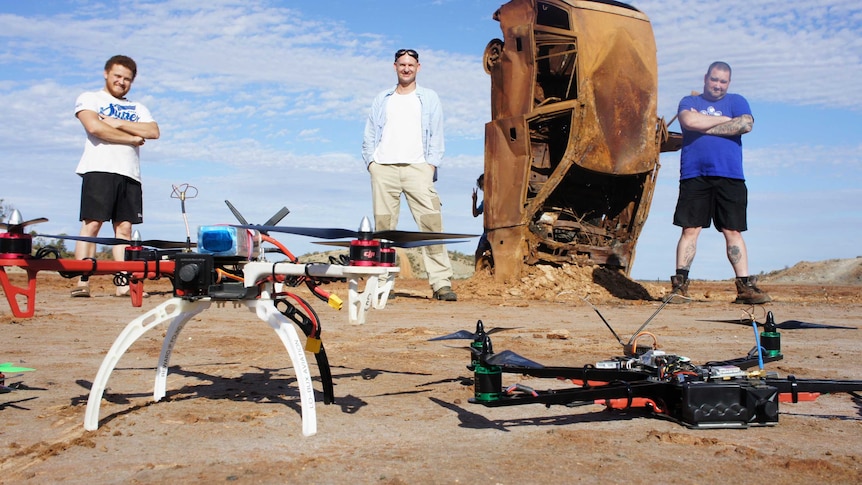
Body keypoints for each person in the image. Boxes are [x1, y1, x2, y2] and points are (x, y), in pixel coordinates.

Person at [670, 61, 770, 305]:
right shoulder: (689, 102)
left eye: (723, 81)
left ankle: (745, 287)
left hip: (730, 175)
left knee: (733, 231)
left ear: (729, 83)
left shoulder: (737, 101)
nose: (717, 85)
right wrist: (725, 121)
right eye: (714, 79)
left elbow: (745, 124)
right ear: (706, 78)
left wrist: (702, 125)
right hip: (695, 174)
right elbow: (688, 122)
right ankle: (680, 286)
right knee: (690, 229)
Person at [362, 48, 457, 301]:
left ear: (418, 67)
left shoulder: (429, 98)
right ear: (395, 66)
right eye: (402, 64)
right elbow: (370, 133)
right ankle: (383, 283)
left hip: (418, 169)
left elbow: (437, 134)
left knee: (431, 226)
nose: (406, 68)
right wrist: (372, 163)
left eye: (410, 65)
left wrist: (431, 167)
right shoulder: (382, 98)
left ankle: (440, 283)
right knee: (385, 229)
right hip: (384, 170)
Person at [71, 55, 160, 298]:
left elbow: (153, 131)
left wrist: (118, 123)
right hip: (99, 168)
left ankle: (122, 283)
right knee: (92, 224)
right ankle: (82, 280)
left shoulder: (138, 107)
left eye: (127, 79)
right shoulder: (90, 98)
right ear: (106, 74)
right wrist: (131, 137)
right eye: (118, 76)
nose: (122, 82)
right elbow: (95, 127)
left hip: (130, 173)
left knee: (125, 229)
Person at [471, 174, 491, 269]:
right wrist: (474, 201)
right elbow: (475, 214)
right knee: (479, 252)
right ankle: (477, 272)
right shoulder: (485, 201)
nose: (484, 189)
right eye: (482, 187)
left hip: (494, 231)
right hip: (487, 231)